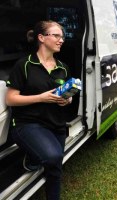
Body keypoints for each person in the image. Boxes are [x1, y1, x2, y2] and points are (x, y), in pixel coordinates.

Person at [6, 20, 71, 200]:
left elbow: (65, 93)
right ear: (41, 38)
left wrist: (67, 99)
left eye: (62, 37)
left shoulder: (63, 68)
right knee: (53, 156)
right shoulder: (24, 65)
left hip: (56, 123)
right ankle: (34, 158)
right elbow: (10, 99)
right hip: (28, 123)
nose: (61, 40)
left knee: (55, 166)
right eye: (56, 35)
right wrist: (41, 97)